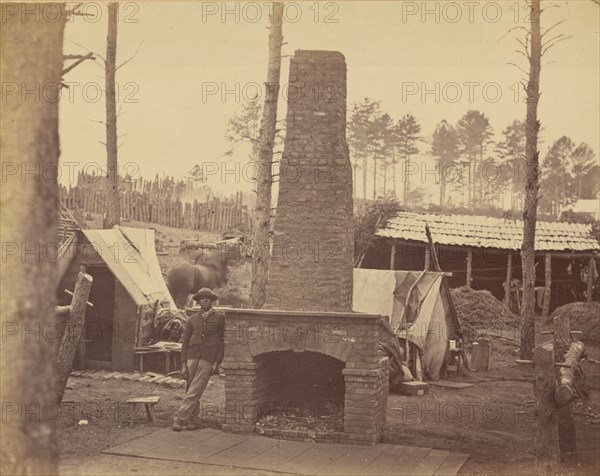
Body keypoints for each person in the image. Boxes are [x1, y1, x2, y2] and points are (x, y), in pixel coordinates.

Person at [172, 287, 224, 431]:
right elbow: (184, 342)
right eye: (202, 298)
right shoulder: (192, 320)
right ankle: (194, 420)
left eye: (207, 297)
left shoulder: (219, 318)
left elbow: (221, 342)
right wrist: (183, 364)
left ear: (212, 300)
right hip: (192, 357)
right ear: (199, 301)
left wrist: (217, 363)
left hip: (208, 359)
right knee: (190, 389)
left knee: (195, 390)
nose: (205, 300)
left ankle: (180, 418)